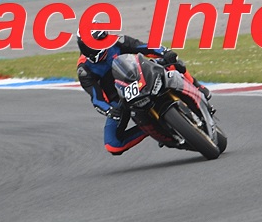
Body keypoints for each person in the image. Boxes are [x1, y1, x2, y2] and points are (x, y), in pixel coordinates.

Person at [76, 29, 212, 156]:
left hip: (143, 76)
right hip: (121, 99)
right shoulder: (84, 70)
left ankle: (197, 86)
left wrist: (165, 52)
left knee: (172, 62)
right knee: (113, 145)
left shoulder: (117, 41)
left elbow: (145, 47)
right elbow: (97, 99)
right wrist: (109, 110)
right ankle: (151, 128)